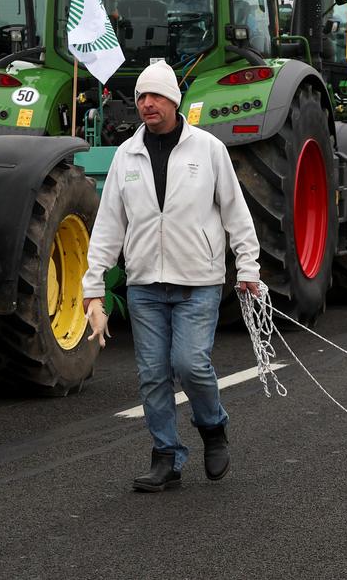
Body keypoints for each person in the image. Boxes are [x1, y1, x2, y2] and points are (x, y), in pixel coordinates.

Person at [82, 60, 261, 493]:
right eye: (142, 97)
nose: (147, 104)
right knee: (152, 375)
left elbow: (236, 213)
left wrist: (248, 267)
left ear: (174, 101)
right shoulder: (127, 154)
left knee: (190, 365)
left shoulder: (208, 150)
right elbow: (108, 226)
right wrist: (93, 291)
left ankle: (213, 428)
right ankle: (166, 457)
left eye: (156, 96)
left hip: (197, 282)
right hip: (145, 285)